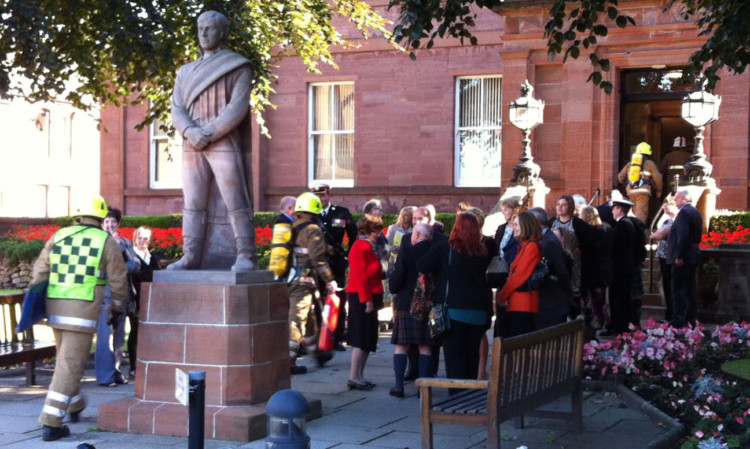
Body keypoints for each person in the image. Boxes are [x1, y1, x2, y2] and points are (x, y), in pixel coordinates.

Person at [29, 196, 128, 441]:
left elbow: (40, 271)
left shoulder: (59, 236)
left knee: (67, 360)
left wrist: (36, 305)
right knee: (69, 365)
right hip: (82, 313)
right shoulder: (105, 241)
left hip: (55, 309)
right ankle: (51, 423)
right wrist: (117, 307)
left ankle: (75, 405)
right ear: (100, 215)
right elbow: (118, 280)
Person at [168, 10, 256, 273]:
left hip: (222, 140)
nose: (204, 34)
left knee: (235, 198)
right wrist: (189, 131)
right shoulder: (185, 72)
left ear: (223, 33)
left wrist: (207, 133)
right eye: (200, 29)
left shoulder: (238, 65)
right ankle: (190, 256)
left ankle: (246, 255)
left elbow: (237, 108)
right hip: (191, 143)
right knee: (192, 202)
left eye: (210, 29)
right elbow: (176, 108)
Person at [417, 213, 495, 390]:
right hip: (479, 312)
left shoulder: (445, 248)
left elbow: (422, 265)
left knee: (454, 359)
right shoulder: (482, 251)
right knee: (471, 357)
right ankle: (468, 393)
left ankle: (457, 399)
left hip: (453, 313)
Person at [287, 192, 336, 375]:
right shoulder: (313, 229)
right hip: (304, 281)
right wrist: (330, 280)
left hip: (293, 278)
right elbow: (318, 260)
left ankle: (316, 353)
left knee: (311, 319)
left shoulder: (293, 226)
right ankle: (288, 361)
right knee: (297, 319)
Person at [387, 222, 435, 397]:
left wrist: (393, 287)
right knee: (425, 347)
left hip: (406, 302)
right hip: (427, 304)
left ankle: (399, 386)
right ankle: (424, 389)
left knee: (401, 346)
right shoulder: (436, 249)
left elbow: (397, 277)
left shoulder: (407, 250)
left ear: (416, 235)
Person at [95, 208, 140, 387]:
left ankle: (116, 372)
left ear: (118, 224)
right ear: (102, 224)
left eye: (113, 221)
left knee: (119, 338)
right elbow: (99, 270)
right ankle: (104, 376)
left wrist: (117, 266)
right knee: (105, 335)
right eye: (107, 221)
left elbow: (135, 265)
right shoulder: (98, 243)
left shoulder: (126, 243)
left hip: (122, 296)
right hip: (105, 296)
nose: (110, 224)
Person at [311, 182, 357, 352]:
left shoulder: (341, 212)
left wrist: (348, 257)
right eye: (317, 196)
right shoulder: (309, 214)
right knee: (315, 301)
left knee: (339, 299)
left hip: (336, 263)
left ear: (328, 195)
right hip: (316, 265)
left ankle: (336, 338)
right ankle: (317, 338)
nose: (321, 199)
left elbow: (353, 235)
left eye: (323, 195)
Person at [346, 214, 385, 391]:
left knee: (368, 339)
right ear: (367, 230)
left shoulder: (368, 246)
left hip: (369, 295)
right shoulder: (360, 246)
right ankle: (354, 376)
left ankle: (360, 375)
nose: (378, 233)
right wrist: (367, 300)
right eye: (376, 230)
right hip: (362, 296)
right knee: (361, 339)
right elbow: (360, 276)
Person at [496, 211, 543, 338]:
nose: (513, 228)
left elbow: (518, 277)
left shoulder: (531, 247)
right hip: (517, 303)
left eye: (516, 225)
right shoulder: (524, 246)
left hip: (523, 305)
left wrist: (502, 296)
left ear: (525, 226)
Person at [527, 207, 571, 330]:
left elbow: (561, 272)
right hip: (546, 302)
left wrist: (567, 296)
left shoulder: (549, 241)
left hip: (552, 303)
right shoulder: (542, 239)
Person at [128, 226, 161, 380]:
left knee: (149, 332)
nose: (142, 241)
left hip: (151, 300)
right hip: (135, 299)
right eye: (140, 238)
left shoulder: (152, 257)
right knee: (135, 332)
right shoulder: (130, 255)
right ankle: (134, 367)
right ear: (135, 238)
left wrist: (146, 274)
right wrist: (148, 274)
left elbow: (158, 276)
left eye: (145, 238)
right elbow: (133, 276)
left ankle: (148, 364)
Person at [666, 190, 703, 328]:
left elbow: (683, 235)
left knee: (679, 290)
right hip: (692, 255)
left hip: (684, 257)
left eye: (676, 199)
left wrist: (679, 256)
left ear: (682, 199)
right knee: (690, 289)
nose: (675, 202)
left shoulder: (684, 213)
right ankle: (690, 319)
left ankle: (679, 320)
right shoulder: (695, 211)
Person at [602, 198, 637, 336]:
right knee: (620, 298)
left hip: (620, 268)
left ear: (620, 210)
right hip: (623, 267)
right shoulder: (627, 223)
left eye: (614, 208)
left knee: (619, 299)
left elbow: (615, 246)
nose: (612, 211)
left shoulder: (622, 224)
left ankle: (619, 326)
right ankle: (620, 326)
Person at [577, 206, 614, 330]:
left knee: (589, 302)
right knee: (601, 301)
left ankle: (592, 326)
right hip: (603, 270)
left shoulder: (585, 234)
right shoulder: (607, 231)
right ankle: (604, 324)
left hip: (588, 272)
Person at [617, 142, 663, 223]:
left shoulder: (630, 164)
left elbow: (620, 177)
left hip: (630, 191)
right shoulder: (650, 163)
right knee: (641, 214)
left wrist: (627, 185)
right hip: (643, 192)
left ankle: (633, 231)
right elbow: (658, 178)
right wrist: (659, 189)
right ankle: (639, 232)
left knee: (634, 213)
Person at [652, 196, 678, 323]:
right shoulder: (666, 221)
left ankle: (674, 315)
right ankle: (669, 314)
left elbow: (659, 235)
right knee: (667, 286)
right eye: (664, 204)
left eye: (669, 204)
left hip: (672, 257)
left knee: (673, 286)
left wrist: (657, 235)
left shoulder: (678, 221)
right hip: (663, 256)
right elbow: (657, 234)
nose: (665, 206)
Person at [492, 196, 522, 264]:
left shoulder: (520, 228)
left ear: (514, 210)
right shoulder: (501, 228)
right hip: (500, 268)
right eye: (502, 210)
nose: (503, 212)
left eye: (505, 210)